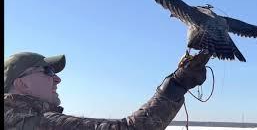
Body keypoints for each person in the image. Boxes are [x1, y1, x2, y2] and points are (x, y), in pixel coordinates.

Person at [4, 50, 211, 130]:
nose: (57, 79)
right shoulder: (37, 124)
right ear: (21, 83)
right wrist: (176, 85)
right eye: (48, 71)